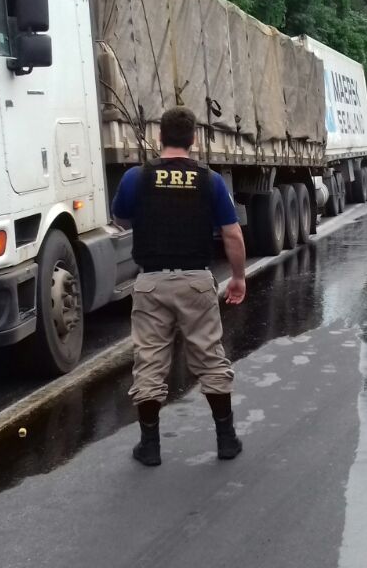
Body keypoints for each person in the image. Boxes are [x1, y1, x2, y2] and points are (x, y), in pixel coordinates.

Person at [111, 106, 248, 467]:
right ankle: (226, 439)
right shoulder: (210, 181)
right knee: (210, 358)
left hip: (152, 281)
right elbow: (232, 233)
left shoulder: (135, 178)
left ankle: (150, 446)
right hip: (197, 281)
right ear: (194, 140)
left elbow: (120, 216)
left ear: (159, 137)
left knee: (150, 363)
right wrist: (238, 276)